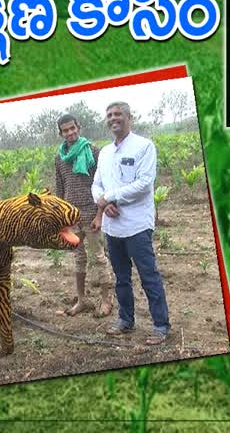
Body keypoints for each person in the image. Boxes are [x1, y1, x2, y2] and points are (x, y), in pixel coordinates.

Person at [91, 101, 170, 345]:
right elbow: (97, 185)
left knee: (149, 275)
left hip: (136, 225)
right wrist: (103, 202)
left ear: (128, 117)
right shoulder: (104, 152)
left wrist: (110, 197)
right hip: (113, 227)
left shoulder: (144, 146)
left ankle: (160, 325)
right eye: (109, 115)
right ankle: (126, 320)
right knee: (121, 276)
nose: (113, 118)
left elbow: (144, 184)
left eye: (118, 114)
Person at [54, 113, 113, 317]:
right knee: (78, 258)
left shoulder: (93, 152)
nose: (70, 133)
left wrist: (100, 214)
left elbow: (103, 185)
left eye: (72, 128)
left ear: (79, 126)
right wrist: (62, 220)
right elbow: (60, 190)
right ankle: (81, 300)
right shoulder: (60, 158)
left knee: (99, 257)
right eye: (65, 130)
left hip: (92, 214)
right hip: (72, 218)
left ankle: (106, 300)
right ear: (60, 133)